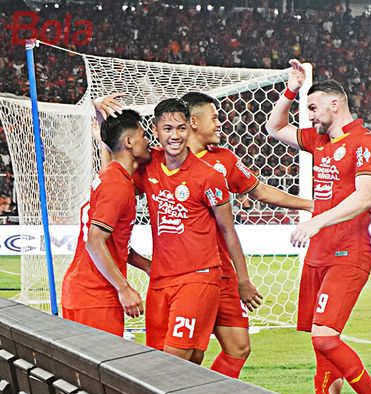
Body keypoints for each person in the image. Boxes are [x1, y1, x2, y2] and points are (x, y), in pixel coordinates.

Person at [265, 60, 371, 394]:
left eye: (312, 107)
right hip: (317, 255)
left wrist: (316, 220)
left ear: (334, 105)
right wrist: (292, 89)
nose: (309, 115)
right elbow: (273, 127)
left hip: (348, 255)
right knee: (321, 346)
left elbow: (365, 198)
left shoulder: (366, 142)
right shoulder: (319, 141)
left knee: (325, 338)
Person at [95, 96, 249, 363]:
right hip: (161, 280)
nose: (175, 136)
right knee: (173, 359)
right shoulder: (149, 164)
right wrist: (100, 118)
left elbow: (228, 231)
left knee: (173, 359)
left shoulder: (210, 176)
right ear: (155, 132)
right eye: (167, 129)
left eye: (180, 128)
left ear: (189, 129)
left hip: (199, 277)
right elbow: (115, 163)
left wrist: (243, 280)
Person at [180, 91, 313, 378]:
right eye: (214, 118)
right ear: (193, 121)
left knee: (239, 348)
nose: (220, 124)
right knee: (191, 354)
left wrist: (310, 204)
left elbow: (261, 191)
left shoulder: (224, 160)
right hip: (187, 272)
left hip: (222, 271)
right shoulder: (168, 160)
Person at [62, 107, 151, 336]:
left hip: (84, 292)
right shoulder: (116, 186)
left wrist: (147, 266)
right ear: (129, 142)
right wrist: (124, 289)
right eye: (143, 135)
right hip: (95, 296)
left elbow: (114, 245)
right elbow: (95, 243)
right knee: (95, 370)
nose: (148, 140)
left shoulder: (112, 176)